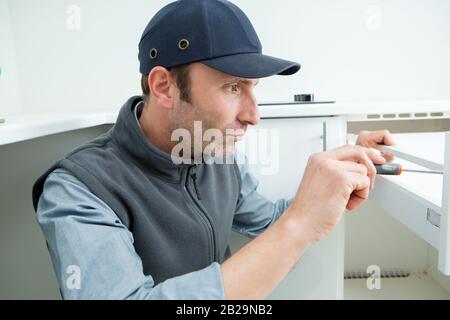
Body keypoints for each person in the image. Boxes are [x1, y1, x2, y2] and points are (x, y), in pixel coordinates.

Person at [32, 0, 396, 299]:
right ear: (164, 86)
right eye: (233, 88)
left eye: (253, 87)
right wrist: (300, 224)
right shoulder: (78, 190)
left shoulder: (216, 153)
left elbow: (269, 223)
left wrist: (340, 172)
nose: (253, 116)